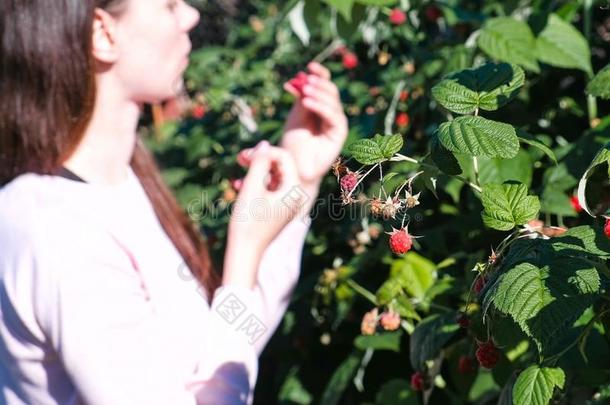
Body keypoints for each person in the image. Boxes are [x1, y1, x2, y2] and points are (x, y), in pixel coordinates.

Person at [0, 0, 348, 404]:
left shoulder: (120, 186)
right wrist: (243, 254)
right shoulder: (54, 231)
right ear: (102, 33)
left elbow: (213, 367)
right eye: (168, 5)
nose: (191, 16)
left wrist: (300, 182)